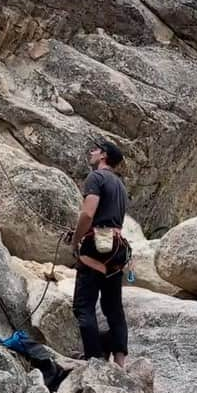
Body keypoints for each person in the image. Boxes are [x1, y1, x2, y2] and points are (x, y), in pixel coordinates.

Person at [71, 139, 130, 367]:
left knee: (83, 306)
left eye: (95, 149)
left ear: (103, 155)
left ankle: (94, 360)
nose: (91, 152)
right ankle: (120, 362)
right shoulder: (120, 186)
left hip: (95, 248)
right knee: (113, 308)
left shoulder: (96, 178)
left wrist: (75, 240)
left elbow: (88, 215)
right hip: (116, 249)